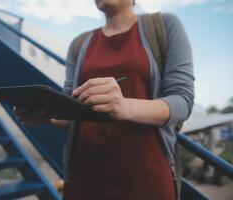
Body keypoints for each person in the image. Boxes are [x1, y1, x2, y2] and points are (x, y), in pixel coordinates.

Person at [14, 0, 194, 199]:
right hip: (84, 174)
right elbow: (71, 108)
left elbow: (182, 101)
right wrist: (45, 115)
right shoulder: (79, 43)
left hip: (145, 175)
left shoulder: (164, 25)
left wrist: (124, 106)